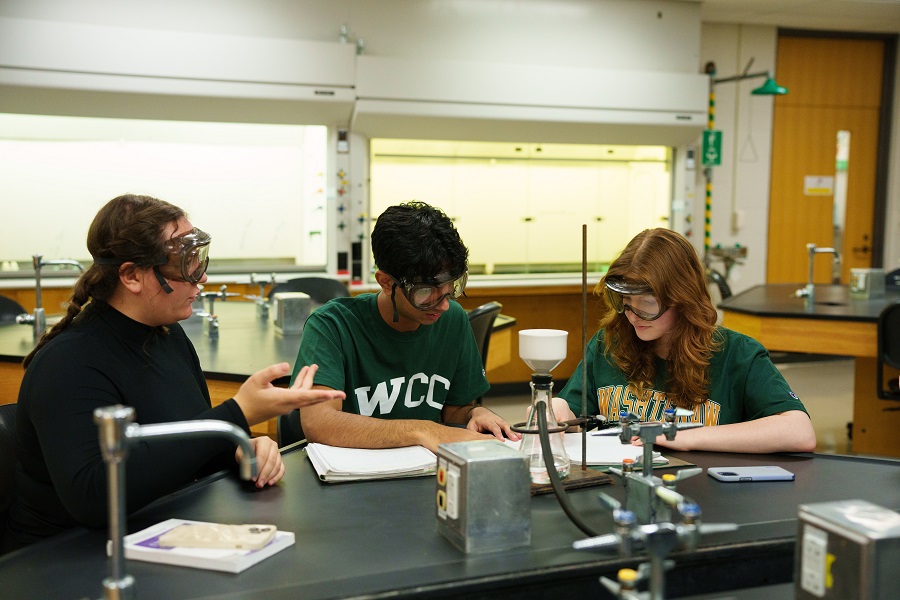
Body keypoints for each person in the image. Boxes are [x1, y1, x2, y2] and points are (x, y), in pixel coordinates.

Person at [3, 194, 345, 550]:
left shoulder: (167, 335)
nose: (202, 277)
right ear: (132, 275)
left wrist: (242, 447)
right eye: (185, 263)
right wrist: (238, 414)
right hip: (64, 557)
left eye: (198, 259)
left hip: (156, 529)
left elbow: (190, 447)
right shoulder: (68, 364)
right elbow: (94, 499)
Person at [552, 228, 817, 454]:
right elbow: (572, 409)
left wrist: (681, 436)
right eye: (626, 302)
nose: (633, 316)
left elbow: (798, 431)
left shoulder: (738, 355)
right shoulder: (609, 344)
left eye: (647, 302)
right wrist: (553, 408)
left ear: (683, 297)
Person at [292, 201, 519, 452]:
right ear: (386, 282)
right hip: (353, 478)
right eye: (426, 292)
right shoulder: (332, 326)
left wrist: (473, 415)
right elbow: (319, 424)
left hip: (424, 474)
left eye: (451, 287)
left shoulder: (452, 319)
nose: (443, 305)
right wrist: (422, 430)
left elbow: (455, 410)